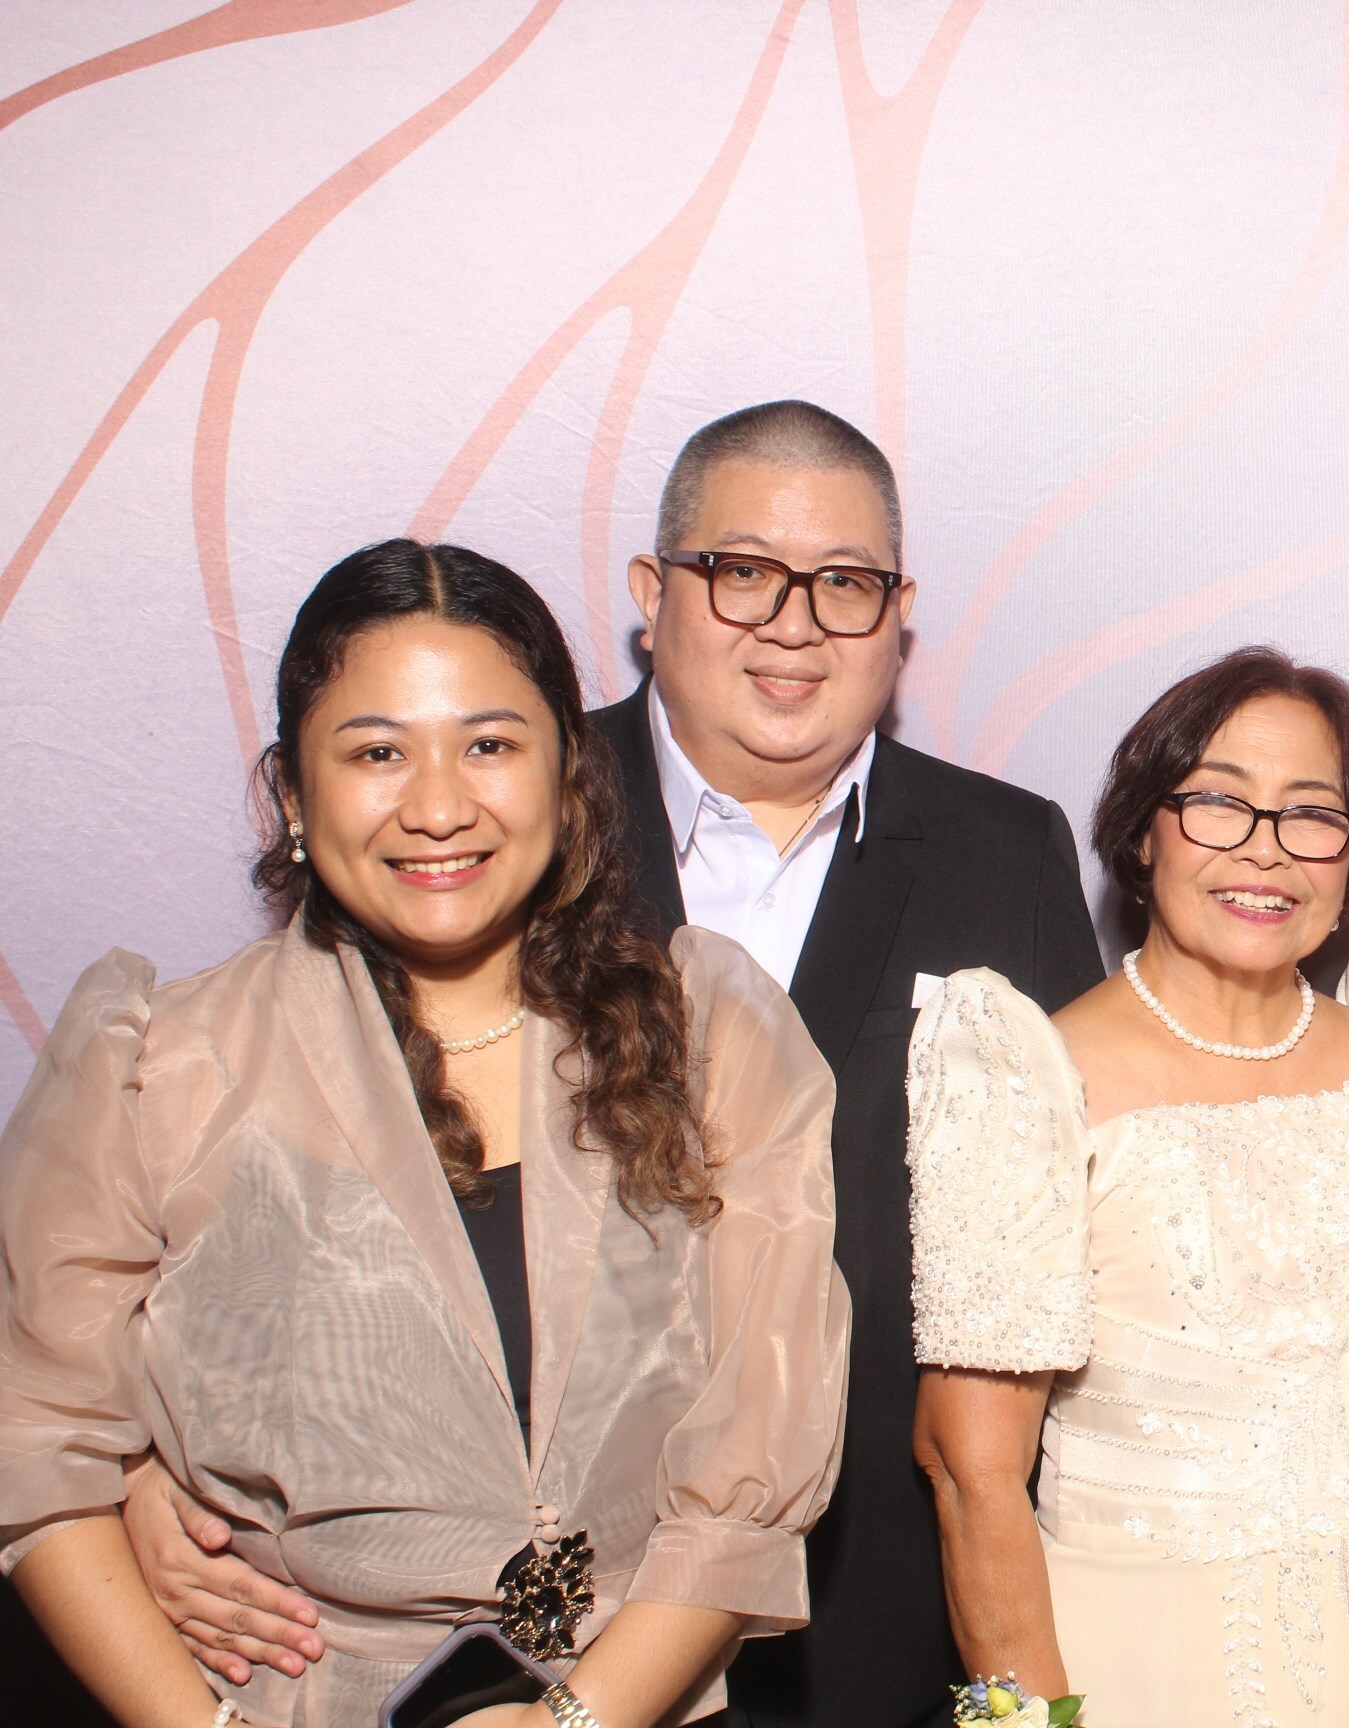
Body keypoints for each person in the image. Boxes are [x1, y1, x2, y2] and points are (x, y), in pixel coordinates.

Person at [124, 401, 1105, 1727]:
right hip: (541, 1645)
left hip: (888, 1619)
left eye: (844, 583)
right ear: (651, 592)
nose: (795, 624)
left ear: (900, 614)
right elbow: (262, 1178)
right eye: (742, 571)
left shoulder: (1006, 849)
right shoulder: (492, 807)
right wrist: (143, 1470)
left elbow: (1077, 1234)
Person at [0, 540, 846, 1727]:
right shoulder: (157, 1065)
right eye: (377, 753)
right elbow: (39, 1449)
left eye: (490, 745)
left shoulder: (714, 1036)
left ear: (569, 777)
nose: (439, 806)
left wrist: (569, 1722)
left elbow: (754, 1467)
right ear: (295, 796)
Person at [908, 647, 1349, 1727]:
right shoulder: (1031, 1073)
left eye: (1312, 814)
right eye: (1218, 803)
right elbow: (969, 1469)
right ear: (1144, 831)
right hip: (1131, 1672)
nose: (1266, 850)